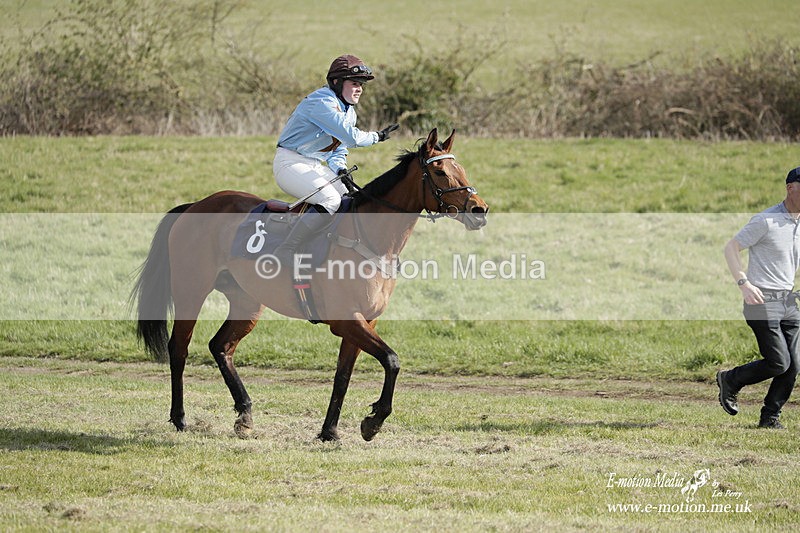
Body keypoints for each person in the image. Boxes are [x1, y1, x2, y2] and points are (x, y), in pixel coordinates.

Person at [272, 54, 398, 263]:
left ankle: (334, 249)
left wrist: (340, 169)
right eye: (355, 83)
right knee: (330, 200)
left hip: (313, 165)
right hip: (289, 163)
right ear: (337, 82)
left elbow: (339, 148)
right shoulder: (321, 102)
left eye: (362, 85)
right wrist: (378, 136)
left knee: (351, 199)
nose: (360, 89)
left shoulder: (349, 112)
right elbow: (351, 137)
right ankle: (286, 250)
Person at [719, 166, 800, 429]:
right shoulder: (765, 220)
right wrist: (743, 283)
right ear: (791, 188)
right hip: (760, 300)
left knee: (794, 365)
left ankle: (770, 418)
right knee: (779, 362)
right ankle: (731, 379)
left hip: (788, 302)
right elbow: (731, 248)